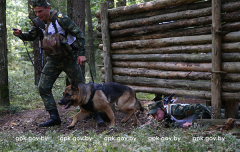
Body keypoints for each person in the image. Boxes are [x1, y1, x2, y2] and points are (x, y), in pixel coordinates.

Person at [13, 0, 103, 127]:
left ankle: (95, 114)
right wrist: (20, 35)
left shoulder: (61, 19)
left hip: (70, 59)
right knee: (43, 87)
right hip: (53, 61)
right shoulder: (38, 22)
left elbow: (79, 34)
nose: (38, 14)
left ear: (47, 8)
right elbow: (32, 36)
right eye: (36, 12)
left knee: (82, 88)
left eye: (40, 11)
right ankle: (54, 117)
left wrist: (82, 54)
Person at [146, 100, 211, 128]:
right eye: (153, 116)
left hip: (209, 113)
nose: (156, 118)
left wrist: (192, 123)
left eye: (157, 114)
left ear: (163, 109)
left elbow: (198, 107)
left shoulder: (176, 111)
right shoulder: (164, 115)